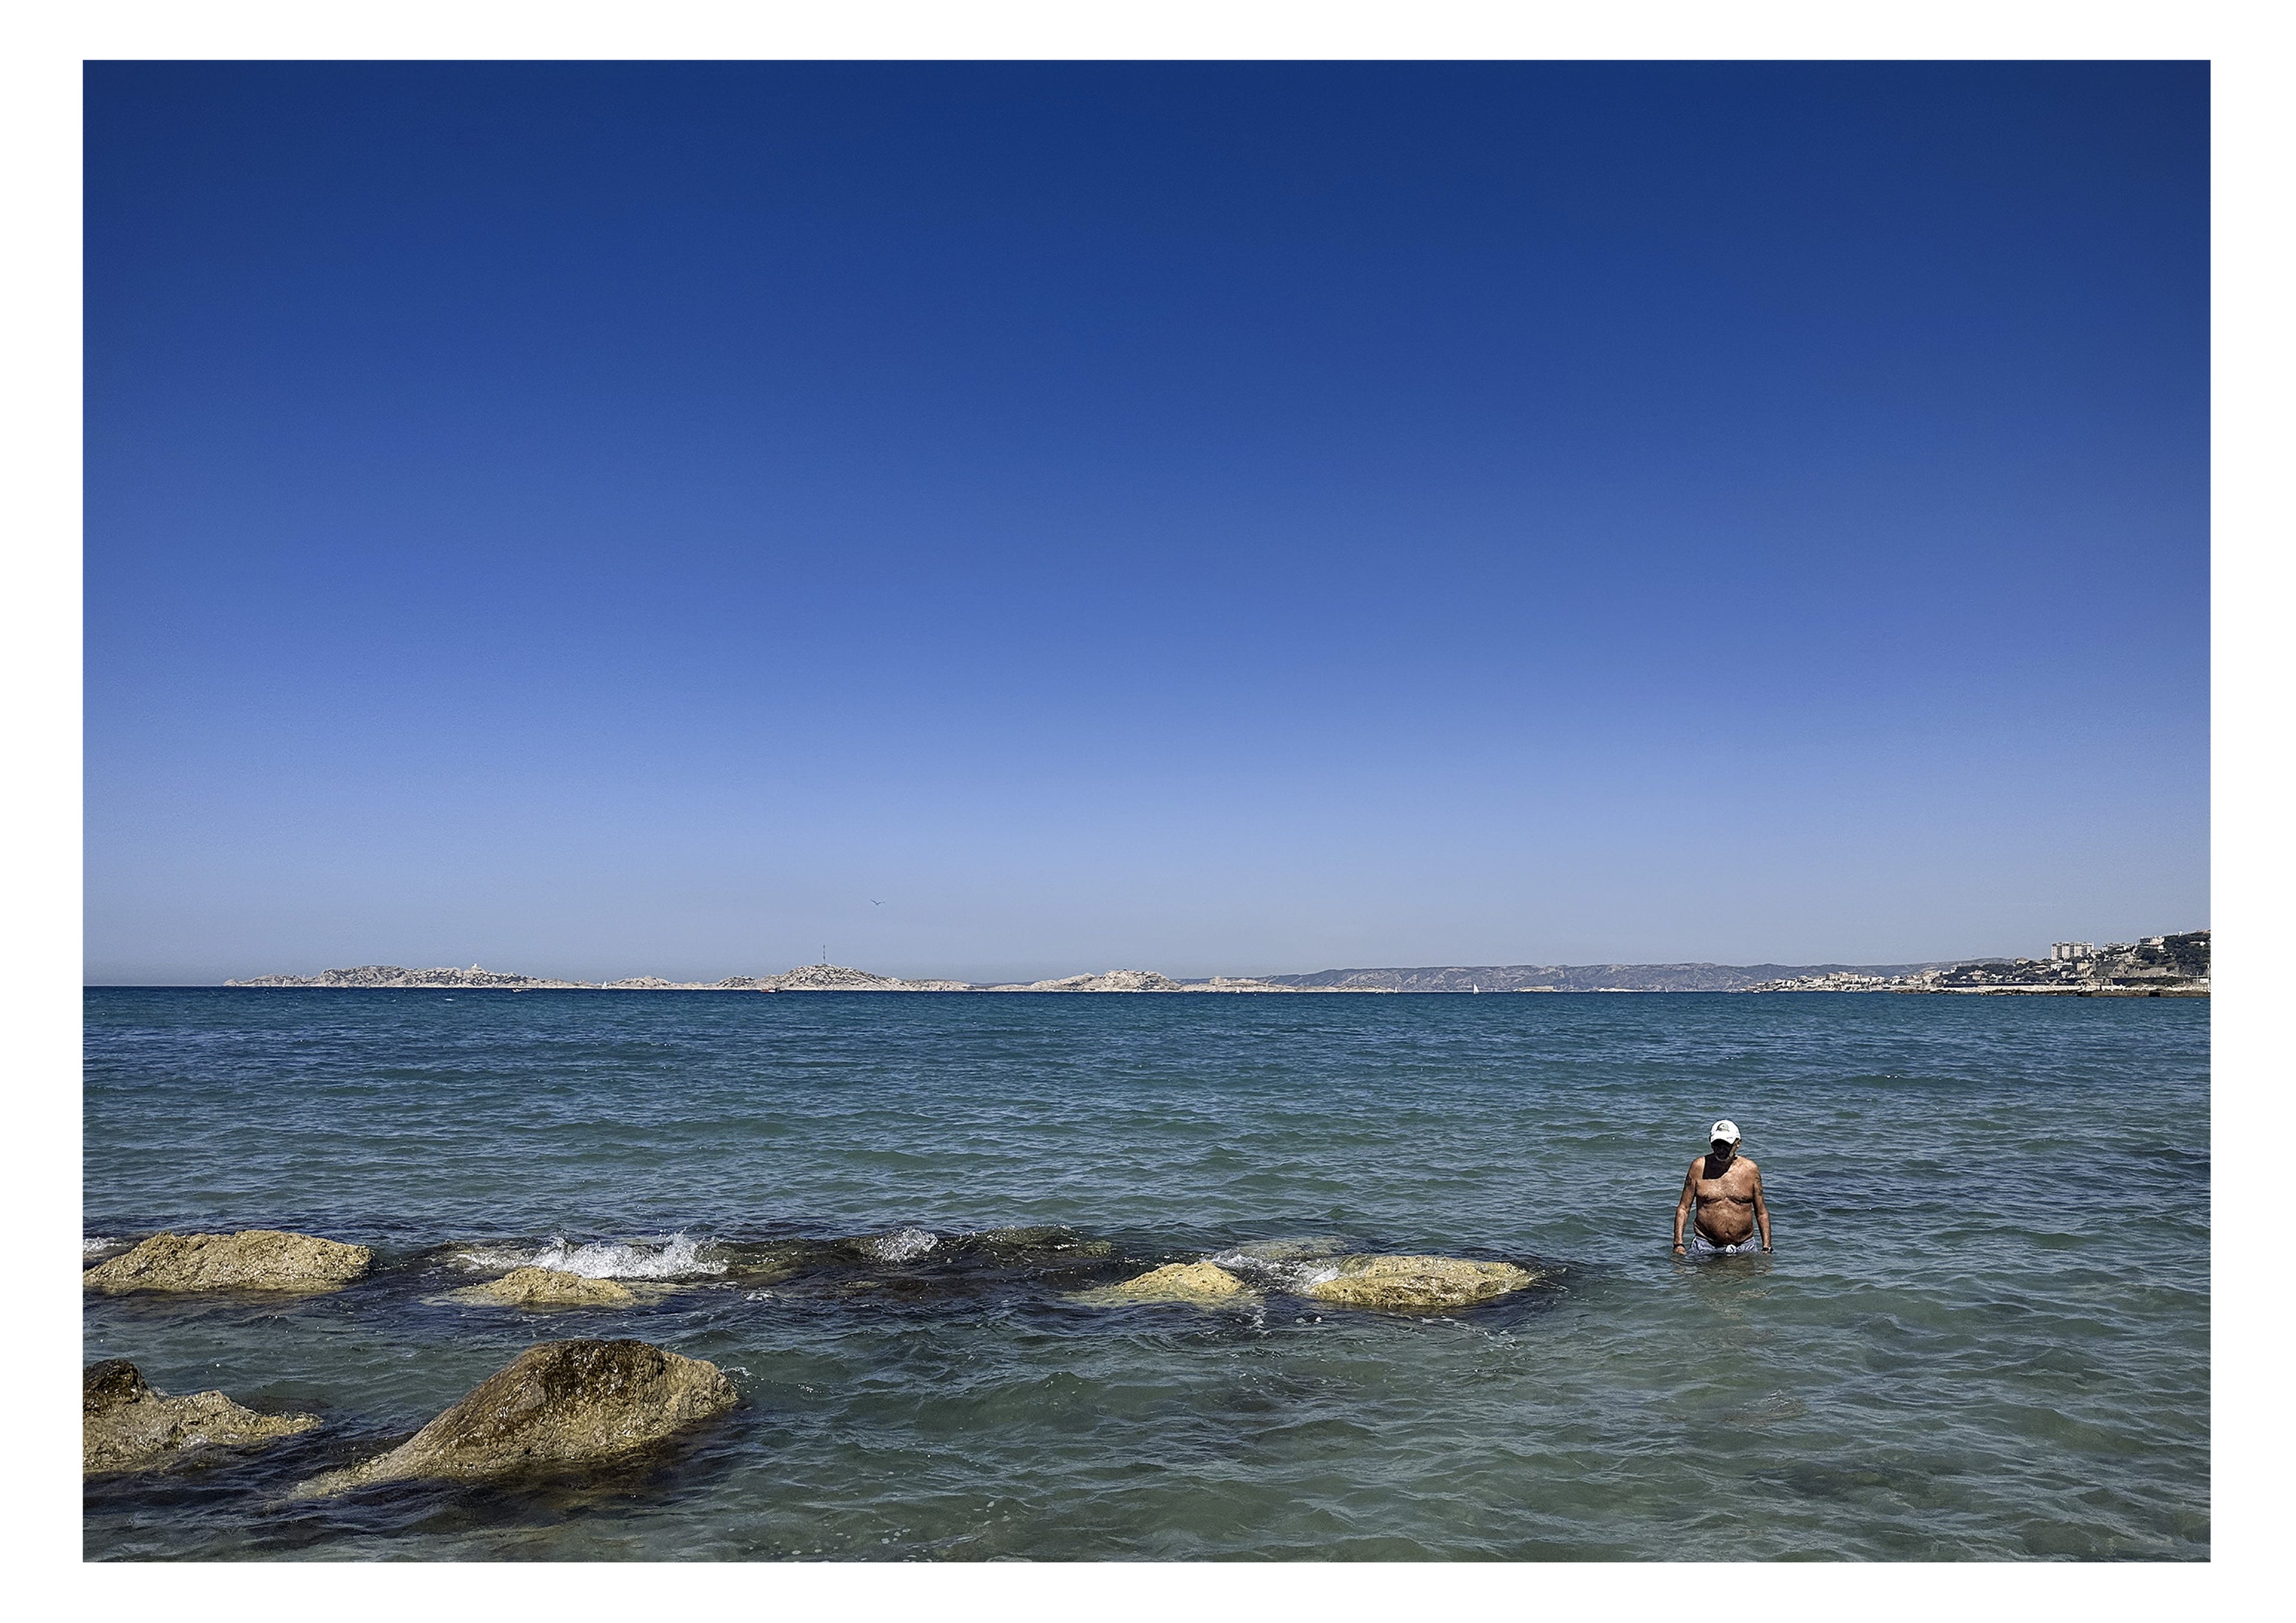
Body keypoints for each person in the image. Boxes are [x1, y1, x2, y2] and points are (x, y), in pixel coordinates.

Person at [1672, 1119, 1771, 1256]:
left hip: (1744, 1246)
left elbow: (1761, 1212)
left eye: (1726, 1145)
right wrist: (1679, 1244)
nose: (1721, 1149)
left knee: (1748, 1278)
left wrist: (1767, 1247)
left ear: (1738, 1144)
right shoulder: (1699, 1168)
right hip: (1705, 1245)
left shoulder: (1751, 1170)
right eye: (1716, 1144)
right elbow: (1684, 1208)